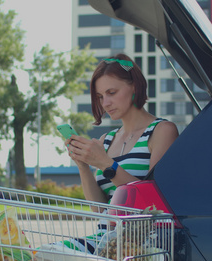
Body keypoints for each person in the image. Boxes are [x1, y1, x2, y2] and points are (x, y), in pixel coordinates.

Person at [65, 53, 179, 206]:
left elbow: (153, 200)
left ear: (134, 86)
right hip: (107, 230)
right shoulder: (106, 140)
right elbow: (100, 210)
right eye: (100, 96)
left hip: (144, 230)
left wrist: (106, 164)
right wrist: (83, 165)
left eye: (111, 93)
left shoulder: (162, 131)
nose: (105, 103)